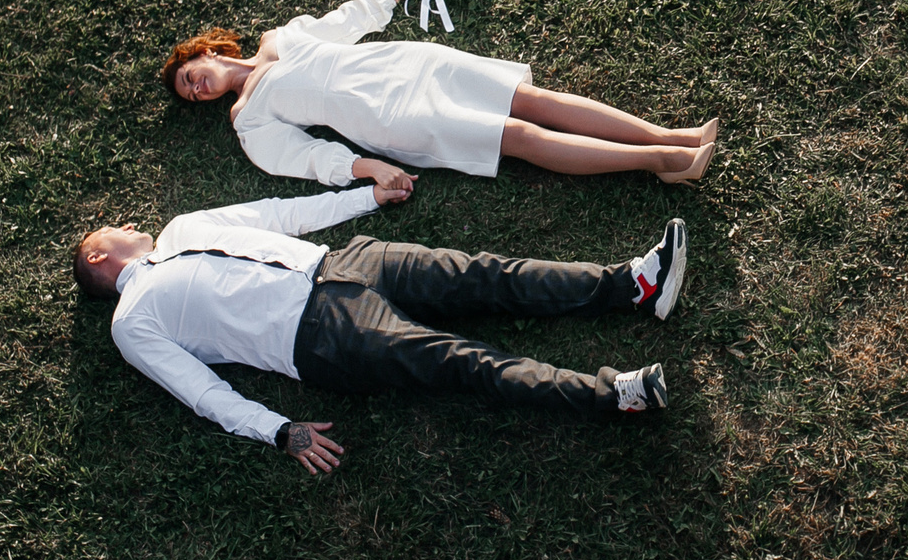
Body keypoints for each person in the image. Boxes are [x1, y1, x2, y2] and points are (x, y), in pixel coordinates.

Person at [73, 175, 689, 476]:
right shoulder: (132, 321)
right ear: (99, 256)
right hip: (320, 334)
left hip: (345, 260)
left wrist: (367, 197)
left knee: (485, 275)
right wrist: (277, 430)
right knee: (463, 361)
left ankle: (633, 285)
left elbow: (277, 215)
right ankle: (614, 396)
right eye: (113, 228)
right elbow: (198, 390)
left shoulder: (181, 226)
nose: (128, 223)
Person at [161, 0, 718, 188]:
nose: (197, 87)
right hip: (387, 115)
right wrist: (368, 167)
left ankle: (671, 136)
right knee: (516, 137)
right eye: (191, 93)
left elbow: (352, 19)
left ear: (207, 51)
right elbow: (301, 159)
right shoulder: (246, 118)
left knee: (532, 100)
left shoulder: (279, 37)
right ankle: (660, 163)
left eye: (192, 75)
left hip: (408, 64)